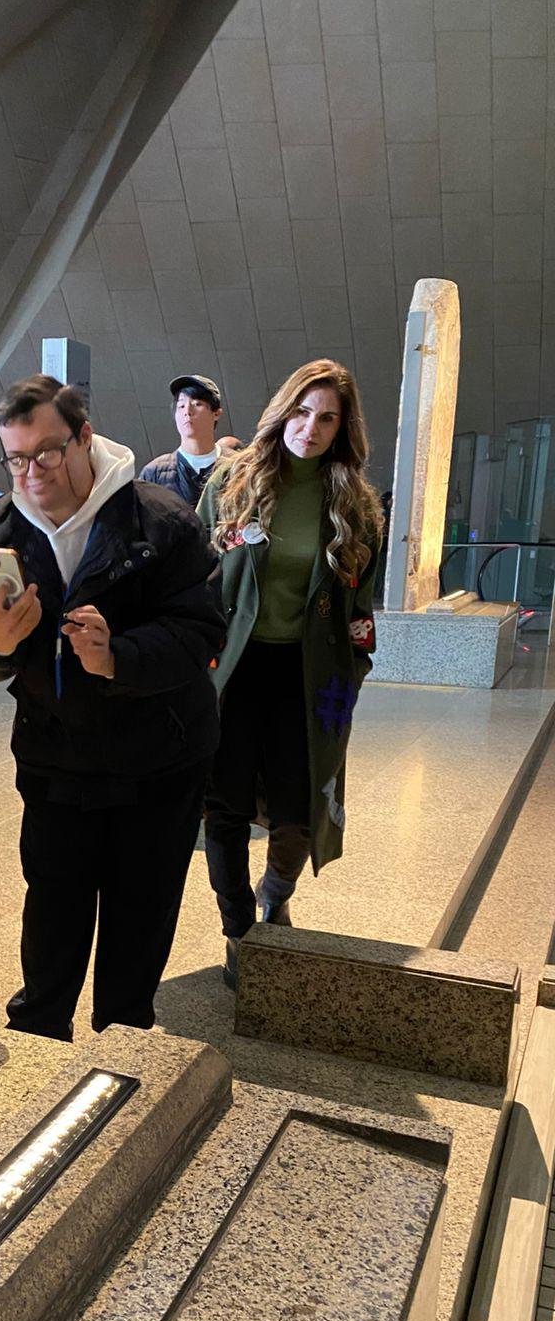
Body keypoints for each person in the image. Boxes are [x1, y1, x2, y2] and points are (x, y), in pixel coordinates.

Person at [0, 374, 225, 1041]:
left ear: (83, 438)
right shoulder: (0, 530)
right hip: (55, 760)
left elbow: (201, 632)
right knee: (52, 906)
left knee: (138, 916)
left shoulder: (160, 522)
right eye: (17, 459)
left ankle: (123, 1044)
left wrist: (116, 658)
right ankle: (41, 1037)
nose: (33, 473)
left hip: (158, 762)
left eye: (47, 452)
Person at [195, 358, 383, 988]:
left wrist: (353, 672)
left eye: (327, 418)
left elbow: (361, 611)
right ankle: (238, 929)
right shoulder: (232, 483)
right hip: (234, 669)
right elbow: (195, 576)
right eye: (302, 412)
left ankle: (276, 895)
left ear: (342, 428)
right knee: (222, 804)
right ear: (282, 413)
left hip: (310, 675)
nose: (311, 428)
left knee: (300, 803)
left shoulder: (356, 507)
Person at [139, 374, 227, 507]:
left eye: (197, 404)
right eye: (181, 406)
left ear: (216, 413)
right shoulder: (154, 473)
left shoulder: (237, 467)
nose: (187, 411)